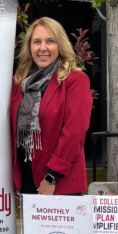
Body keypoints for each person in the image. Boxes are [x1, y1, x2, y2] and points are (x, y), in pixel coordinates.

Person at [9, 17, 93, 195]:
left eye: (50, 41)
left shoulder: (75, 81)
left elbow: (74, 134)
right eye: (36, 42)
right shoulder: (19, 83)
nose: (42, 48)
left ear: (60, 46)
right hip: (27, 181)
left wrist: (51, 176)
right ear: (29, 47)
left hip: (59, 183)